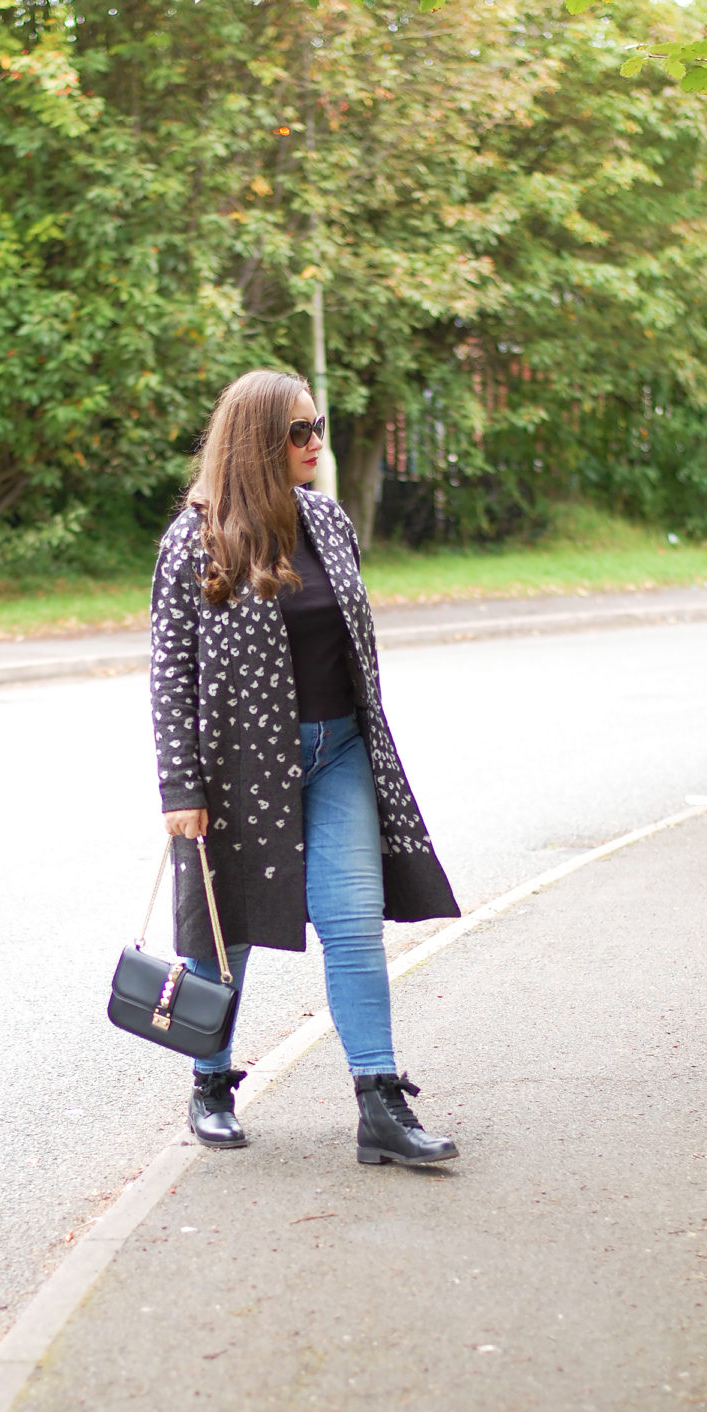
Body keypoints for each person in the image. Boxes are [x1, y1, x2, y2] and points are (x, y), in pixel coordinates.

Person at [150, 368, 460, 1166]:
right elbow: (170, 669)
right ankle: (210, 1085)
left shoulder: (327, 520)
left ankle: (380, 1105)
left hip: (339, 752)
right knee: (227, 938)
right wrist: (180, 788)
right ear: (257, 441)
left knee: (353, 923)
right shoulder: (196, 537)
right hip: (238, 771)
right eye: (298, 432)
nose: (315, 442)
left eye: (316, 425)